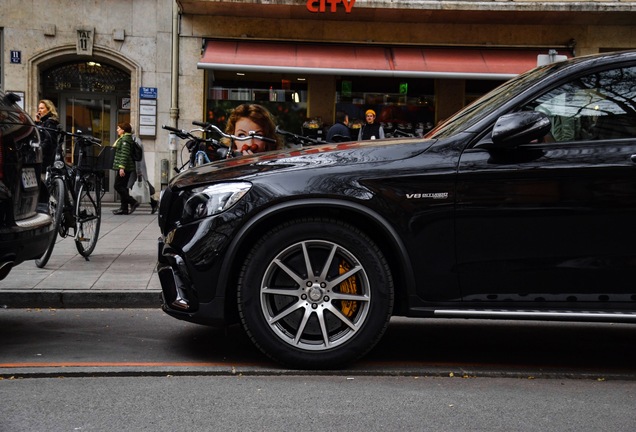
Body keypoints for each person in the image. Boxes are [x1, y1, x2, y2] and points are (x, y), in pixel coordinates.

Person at [35, 99, 60, 212]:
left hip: (46, 159)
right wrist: (37, 122)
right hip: (43, 158)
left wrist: (38, 150)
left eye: (42, 108)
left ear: (48, 109)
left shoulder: (50, 123)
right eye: (39, 108)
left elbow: (48, 141)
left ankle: (50, 207)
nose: (39, 110)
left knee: (43, 186)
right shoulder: (44, 122)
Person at [111, 122, 139, 215]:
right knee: (123, 187)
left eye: (119, 128)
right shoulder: (124, 138)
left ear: (123, 130)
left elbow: (124, 154)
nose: (117, 130)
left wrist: (121, 168)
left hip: (125, 167)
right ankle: (124, 209)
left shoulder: (125, 140)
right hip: (125, 167)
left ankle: (133, 202)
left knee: (117, 186)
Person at [128, 133, 159, 214]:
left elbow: (138, 158)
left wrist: (139, 171)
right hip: (132, 168)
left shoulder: (135, 140)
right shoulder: (133, 140)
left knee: (128, 187)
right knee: (132, 187)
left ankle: (133, 203)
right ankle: (153, 203)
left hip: (135, 169)